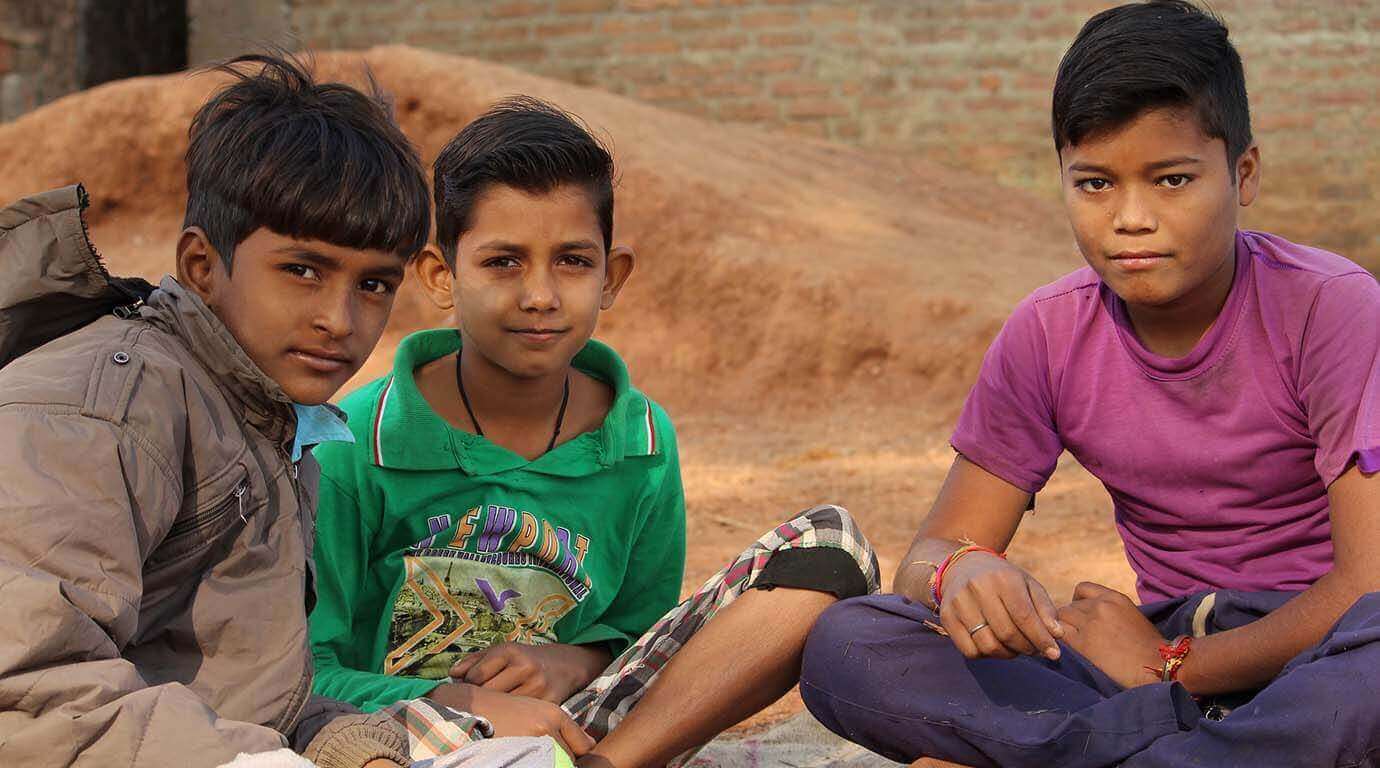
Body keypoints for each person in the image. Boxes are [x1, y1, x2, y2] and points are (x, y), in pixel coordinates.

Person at [799, 2, 1380, 766]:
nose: (1131, 218)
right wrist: (958, 569)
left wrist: (1177, 668)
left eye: (1172, 180)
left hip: (1317, 650)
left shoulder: (1329, 308)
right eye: (1096, 183)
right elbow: (930, 555)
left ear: (1243, 174)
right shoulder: (1049, 333)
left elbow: (1367, 584)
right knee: (851, 642)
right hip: (1145, 663)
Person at [307, 96, 881, 768]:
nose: (540, 296)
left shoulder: (641, 441)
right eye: (503, 262)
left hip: (584, 732)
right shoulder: (351, 444)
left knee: (832, 543)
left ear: (613, 276)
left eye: (573, 261)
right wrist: (460, 702)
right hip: (401, 737)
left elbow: (638, 639)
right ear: (442, 276)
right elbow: (306, 675)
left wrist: (572, 662)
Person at [0, 54, 469, 768]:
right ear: (201, 266)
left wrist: (348, 750)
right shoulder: (110, 409)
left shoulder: (263, 414)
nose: (340, 320)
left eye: (374, 285)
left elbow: (242, 693)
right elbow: (27, 696)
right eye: (302, 270)